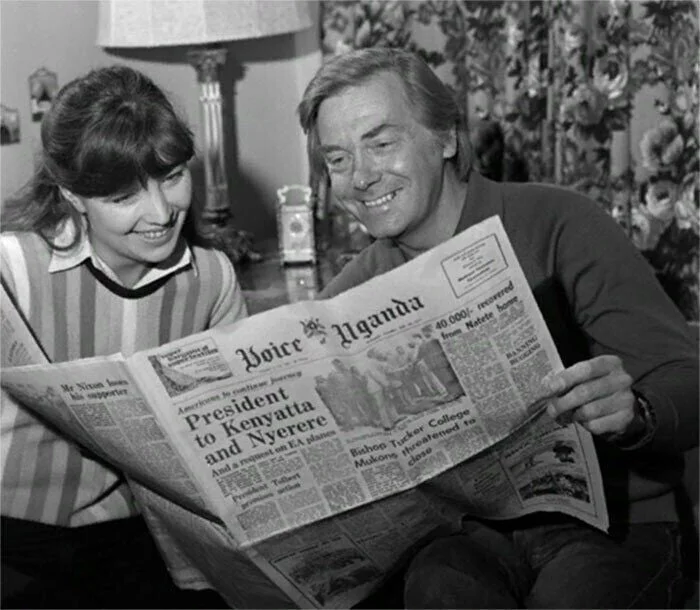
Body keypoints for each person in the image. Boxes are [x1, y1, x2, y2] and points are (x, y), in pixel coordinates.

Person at [297, 47, 698, 608]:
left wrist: (636, 412)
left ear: (446, 138)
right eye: (338, 159)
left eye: (381, 144)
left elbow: (686, 379)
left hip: (616, 522)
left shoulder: (560, 223)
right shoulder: (346, 301)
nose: (361, 177)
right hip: (467, 536)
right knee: (438, 587)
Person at [1, 65, 247, 608]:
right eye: (123, 197)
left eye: (172, 176)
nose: (160, 213)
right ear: (73, 194)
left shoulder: (212, 278)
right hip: (11, 538)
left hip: (138, 540)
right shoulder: (11, 269)